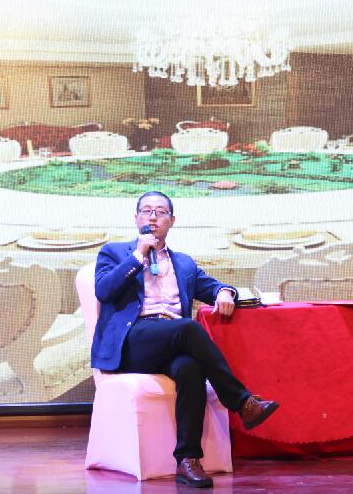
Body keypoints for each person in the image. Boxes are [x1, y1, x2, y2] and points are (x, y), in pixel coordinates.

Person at [92, 191, 279, 489]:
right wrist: (138, 255)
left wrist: (224, 292)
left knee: (190, 367)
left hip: (170, 340)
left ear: (172, 220)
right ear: (136, 218)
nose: (153, 217)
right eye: (146, 211)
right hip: (133, 340)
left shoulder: (183, 263)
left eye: (160, 212)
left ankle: (188, 459)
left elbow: (213, 287)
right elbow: (103, 290)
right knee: (189, 329)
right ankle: (242, 402)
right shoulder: (114, 253)